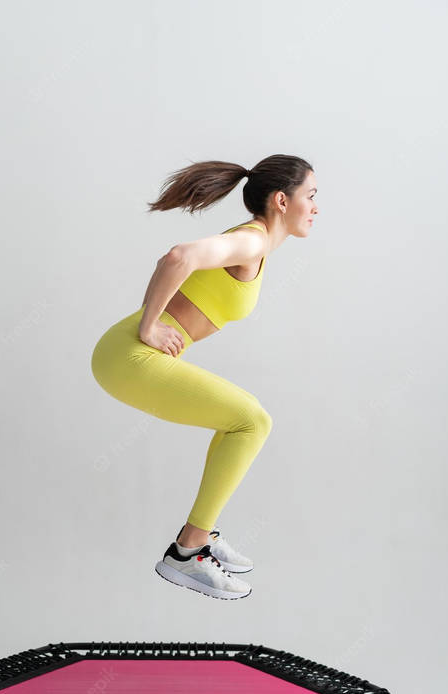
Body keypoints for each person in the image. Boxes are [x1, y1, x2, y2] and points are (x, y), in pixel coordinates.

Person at [91, 155, 318, 600]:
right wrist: (148, 326)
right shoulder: (251, 243)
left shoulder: (255, 246)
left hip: (130, 356)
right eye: (310, 196)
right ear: (280, 200)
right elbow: (178, 256)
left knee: (242, 421)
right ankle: (188, 553)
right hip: (129, 356)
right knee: (252, 420)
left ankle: (200, 536)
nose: (315, 206)